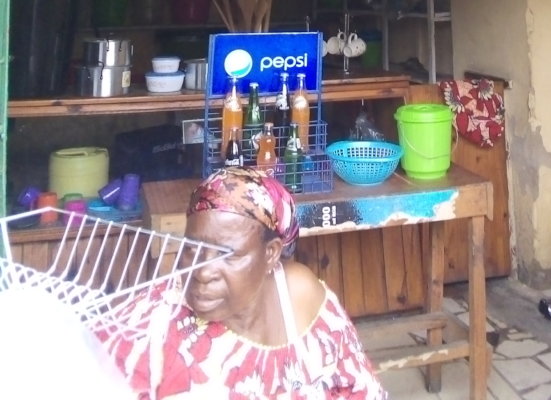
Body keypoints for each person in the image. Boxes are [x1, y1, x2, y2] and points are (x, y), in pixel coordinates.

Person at [105, 167, 387, 400]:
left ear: (271, 254)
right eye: (192, 247)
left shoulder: (300, 296)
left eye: (227, 255)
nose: (202, 272)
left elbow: (359, 389)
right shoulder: (151, 322)